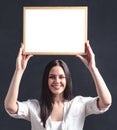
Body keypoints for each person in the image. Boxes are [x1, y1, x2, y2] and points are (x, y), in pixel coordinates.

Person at [4, 41, 112, 130]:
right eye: (52, 77)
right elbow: (10, 106)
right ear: (46, 80)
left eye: (61, 77)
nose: (57, 81)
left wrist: (93, 68)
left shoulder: (79, 104)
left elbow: (106, 102)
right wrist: (19, 70)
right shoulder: (35, 107)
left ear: (67, 79)